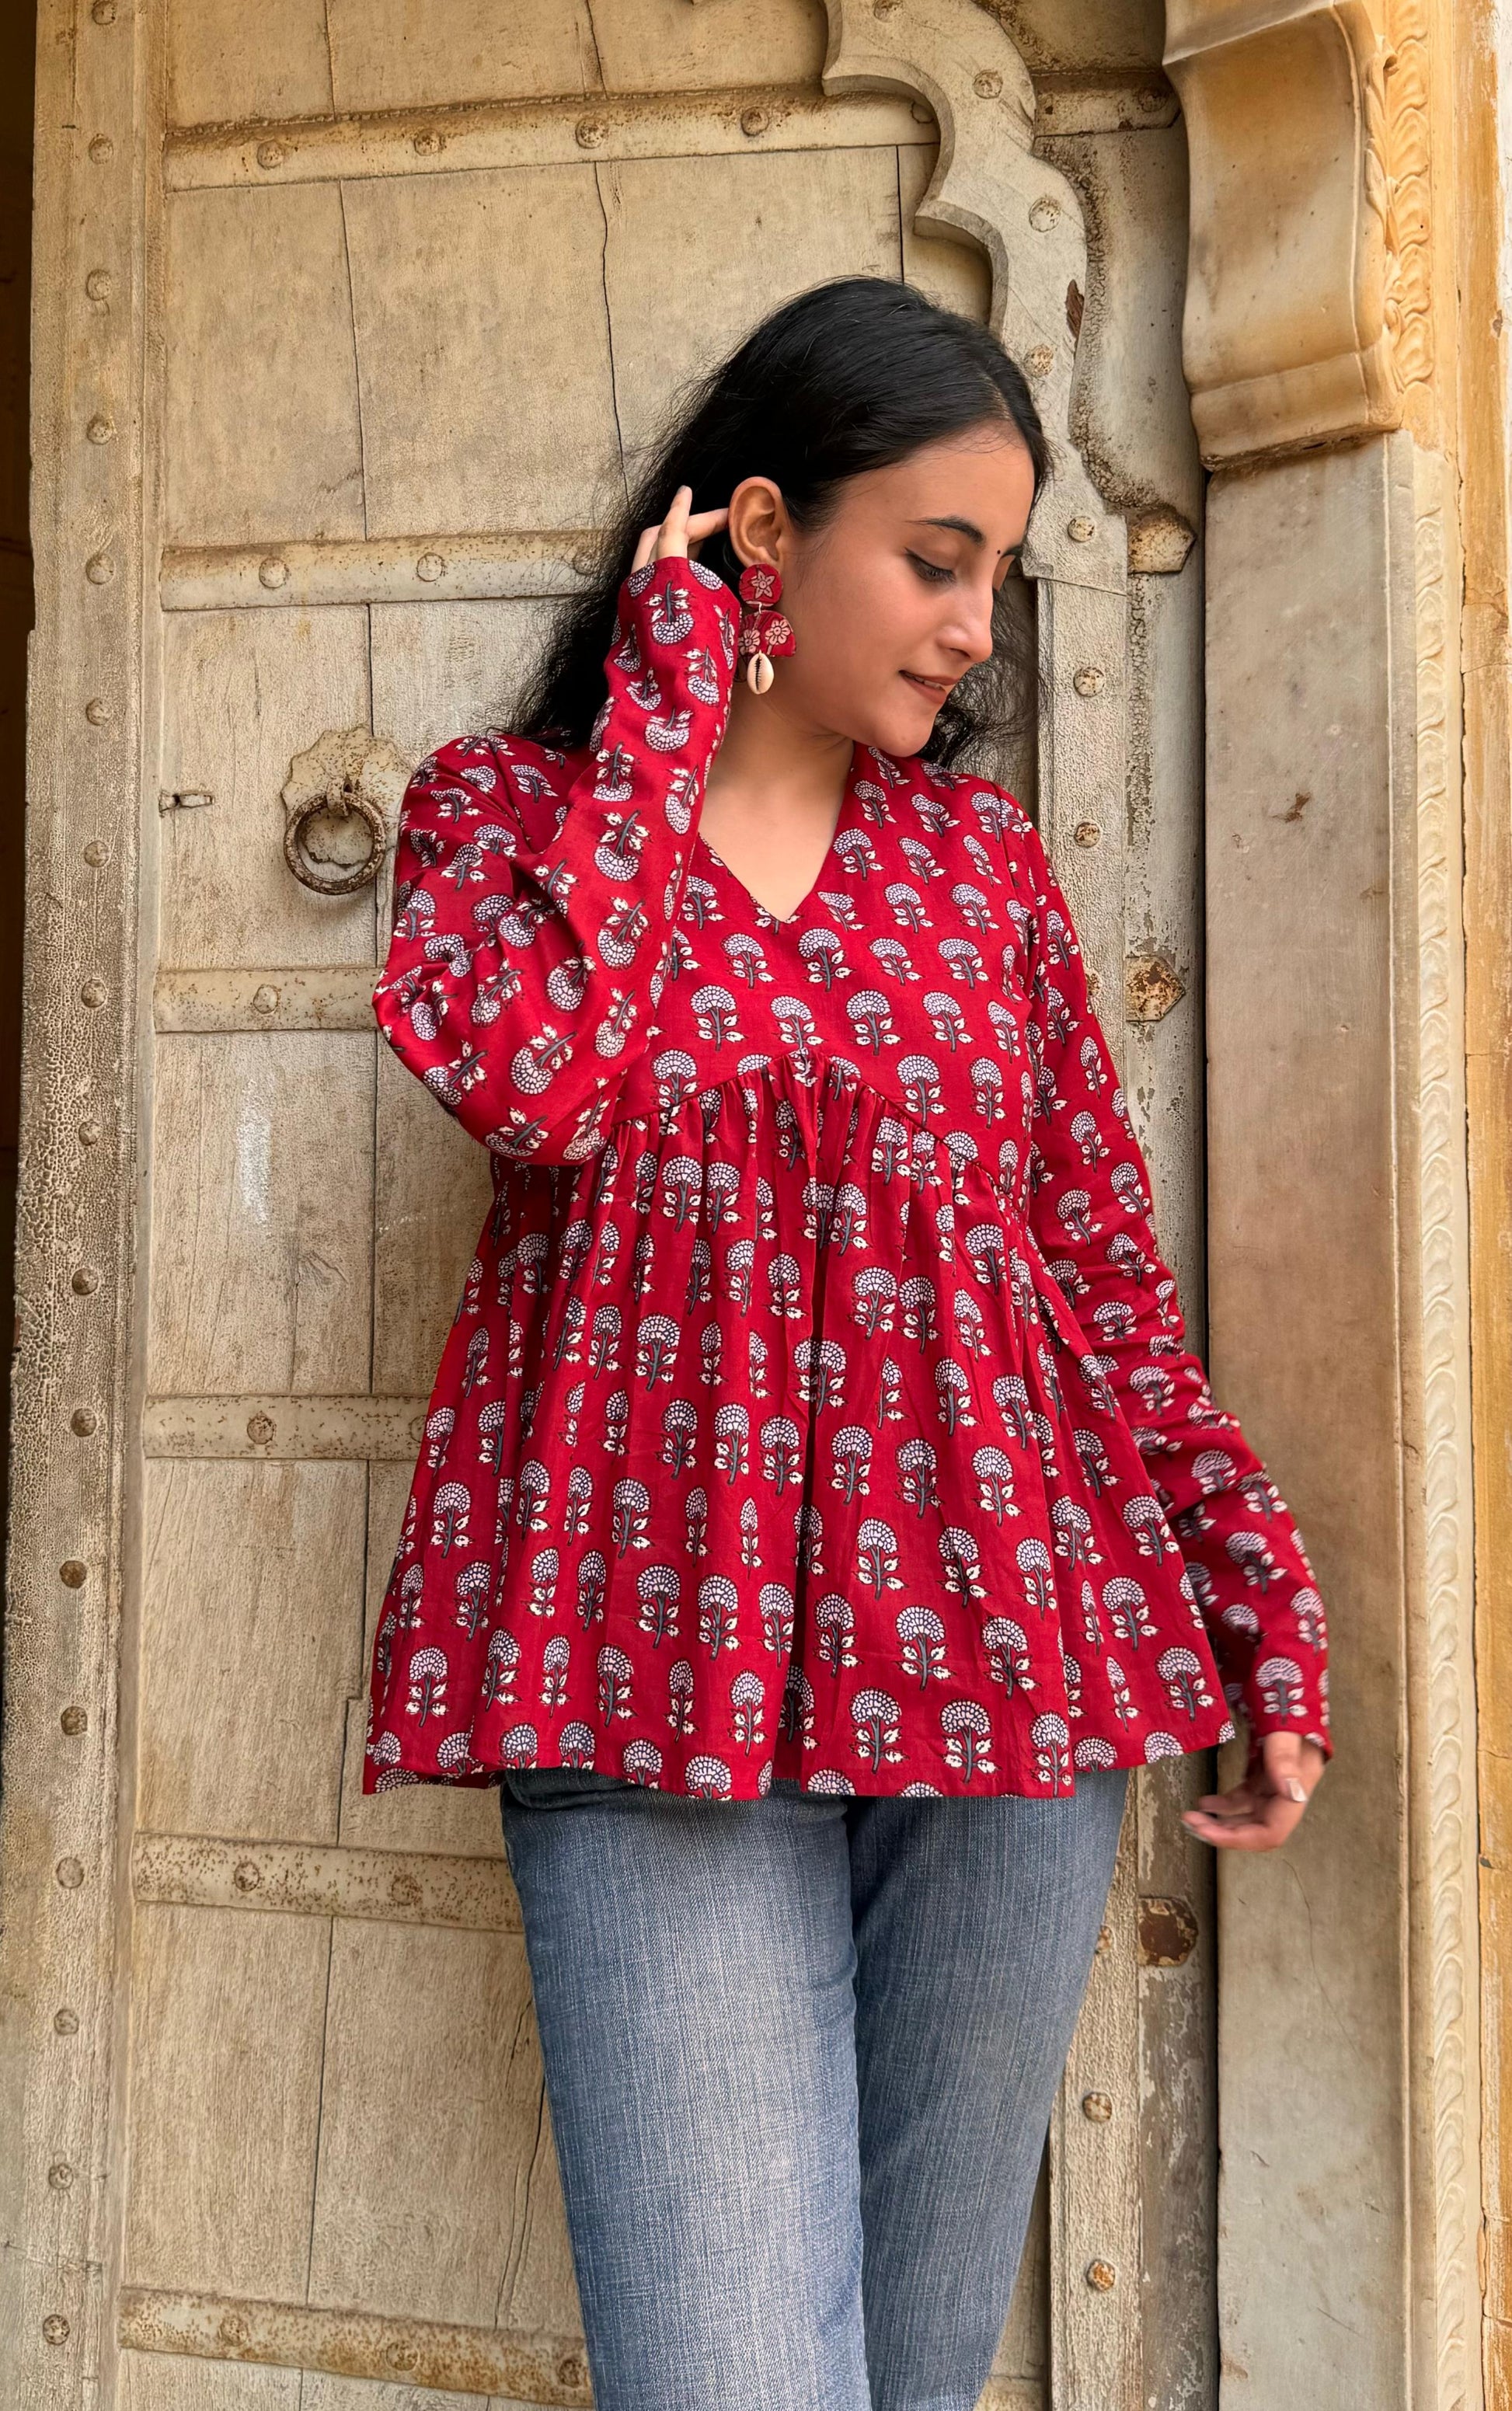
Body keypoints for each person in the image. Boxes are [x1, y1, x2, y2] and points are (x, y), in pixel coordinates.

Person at [361, 277, 1329, 2411]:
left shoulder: (978, 874)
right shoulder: (506, 825)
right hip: (647, 1677)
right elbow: (533, 1084)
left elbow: (1091, 1276)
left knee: (906, 2379)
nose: (975, 623)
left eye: (998, 567)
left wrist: (1244, 1588)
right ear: (760, 535)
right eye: (934, 555)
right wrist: (654, 721)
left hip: (1004, 1691)